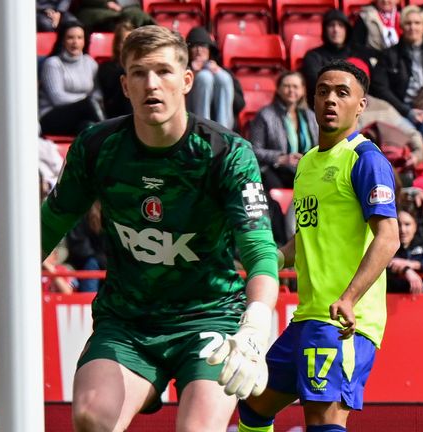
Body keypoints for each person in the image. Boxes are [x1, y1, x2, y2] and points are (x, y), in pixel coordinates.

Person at [41, 25, 280, 431]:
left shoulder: (226, 152)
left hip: (209, 320)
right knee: (90, 418)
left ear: (186, 80)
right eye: (139, 73)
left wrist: (255, 328)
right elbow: (49, 224)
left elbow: (259, 251)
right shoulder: (97, 147)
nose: (152, 83)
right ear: (125, 84)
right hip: (128, 324)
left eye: (164, 71)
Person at [236, 60, 399, 432]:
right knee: (254, 404)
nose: (331, 99)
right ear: (312, 100)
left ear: (361, 105)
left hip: (342, 321)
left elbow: (389, 237)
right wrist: (272, 259)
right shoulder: (308, 162)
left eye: (343, 93)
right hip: (308, 317)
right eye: (324, 91)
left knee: (322, 421)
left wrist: (350, 297)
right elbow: (308, 234)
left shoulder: (366, 160)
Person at [371, 6, 423, 143]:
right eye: (408, 23)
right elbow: (380, 88)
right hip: (399, 113)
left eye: (417, 23)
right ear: (401, 27)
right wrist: (407, 111)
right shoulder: (388, 55)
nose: (412, 27)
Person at [250, 71, 318, 191]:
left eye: (295, 87)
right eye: (287, 86)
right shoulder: (265, 115)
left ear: (302, 90)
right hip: (275, 169)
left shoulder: (311, 116)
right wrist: (281, 158)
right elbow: (254, 150)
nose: (291, 90)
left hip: (307, 168)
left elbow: (319, 146)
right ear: (278, 89)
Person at [39, 21, 104, 136]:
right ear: (63, 40)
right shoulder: (53, 64)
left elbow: (97, 94)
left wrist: (88, 102)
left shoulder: (90, 62)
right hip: (51, 116)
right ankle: (112, 137)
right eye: (70, 38)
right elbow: (57, 98)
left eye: (79, 38)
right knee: (89, 105)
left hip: (80, 115)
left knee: (87, 126)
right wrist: (85, 101)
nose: (75, 42)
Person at [185, 26, 238, 130]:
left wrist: (218, 76)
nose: (199, 50)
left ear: (210, 50)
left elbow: (239, 104)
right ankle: (203, 131)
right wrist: (193, 75)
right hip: (192, 120)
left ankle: (223, 134)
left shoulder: (223, 72)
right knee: (204, 77)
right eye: (194, 46)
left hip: (224, 121)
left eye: (203, 45)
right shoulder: (183, 70)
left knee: (223, 77)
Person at [387, 204, 423, 294]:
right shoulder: (388, 244)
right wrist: (406, 270)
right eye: (398, 224)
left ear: (415, 225)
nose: (402, 230)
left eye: (407, 224)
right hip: (394, 301)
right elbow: (382, 263)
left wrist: (414, 264)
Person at [96, 21, 133, 118]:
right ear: (117, 45)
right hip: (115, 114)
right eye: (124, 42)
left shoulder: (140, 68)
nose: (128, 47)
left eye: (131, 42)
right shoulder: (106, 68)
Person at [73, 0, 154, 32]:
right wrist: (106, 4)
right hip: (98, 15)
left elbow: (134, 3)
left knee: (135, 14)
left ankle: (156, 33)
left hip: (124, 11)